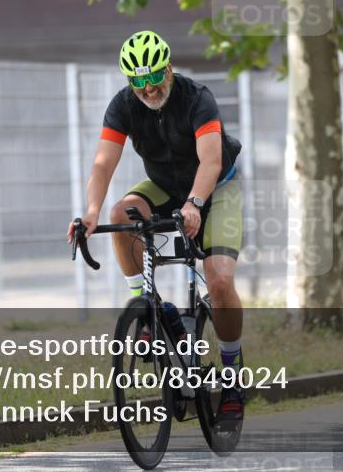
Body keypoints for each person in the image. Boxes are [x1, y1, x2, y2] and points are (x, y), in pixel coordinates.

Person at [67, 30, 246, 422]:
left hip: (217, 188)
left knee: (217, 280)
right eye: (138, 81)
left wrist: (196, 204)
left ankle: (232, 375)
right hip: (165, 186)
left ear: (169, 68)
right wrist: (91, 211)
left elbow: (211, 162)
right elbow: (102, 163)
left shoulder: (198, 98)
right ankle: (149, 306)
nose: (148, 89)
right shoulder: (123, 106)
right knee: (120, 213)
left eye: (154, 78)